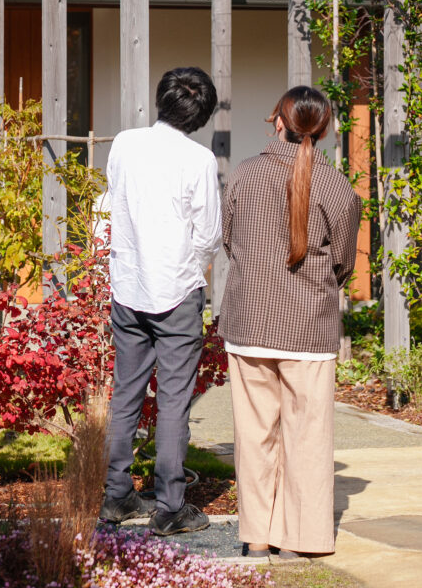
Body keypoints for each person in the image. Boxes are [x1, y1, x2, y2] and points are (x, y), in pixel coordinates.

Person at [220, 85, 362, 559]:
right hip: (310, 328)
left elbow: (230, 242)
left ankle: (257, 537)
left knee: (254, 435)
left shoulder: (244, 175)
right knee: (308, 437)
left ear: (277, 121)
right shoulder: (338, 186)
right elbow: (344, 263)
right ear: (322, 131)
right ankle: (303, 539)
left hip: (250, 322)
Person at [100, 67, 222, 536]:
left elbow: (116, 202)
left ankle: (116, 497)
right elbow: (208, 233)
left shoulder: (125, 143)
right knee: (173, 402)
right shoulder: (199, 159)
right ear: (202, 114)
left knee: (125, 394)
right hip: (175, 290)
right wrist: (190, 266)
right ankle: (170, 506)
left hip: (128, 286)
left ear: (162, 99)